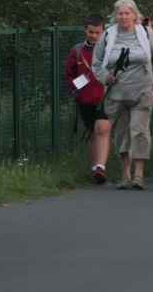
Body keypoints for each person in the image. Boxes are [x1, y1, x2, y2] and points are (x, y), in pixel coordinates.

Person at [92, 0, 153, 190]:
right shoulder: (107, 36)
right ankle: (125, 175)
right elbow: (96, 64)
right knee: (122, 133)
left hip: (142, 90)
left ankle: (139, 175)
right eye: (119, 13)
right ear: (115, 16)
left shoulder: (146, 34)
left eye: (127, 13)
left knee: (139, 131)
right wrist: (106, 77)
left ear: (134, 14)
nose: (123, 17)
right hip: (116, 94)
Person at [64, 13, 111, 184]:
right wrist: (75, 93)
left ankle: (101, 166)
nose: (93, 36)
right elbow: (68, 75)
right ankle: (94, 169)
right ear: (85, 30)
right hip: (85, 99)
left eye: (97, 32)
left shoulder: (109, 50)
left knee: (103, 128)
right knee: (92, 133)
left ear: (103, 31)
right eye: (91, 32)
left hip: (105, 97)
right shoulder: (77, 51)